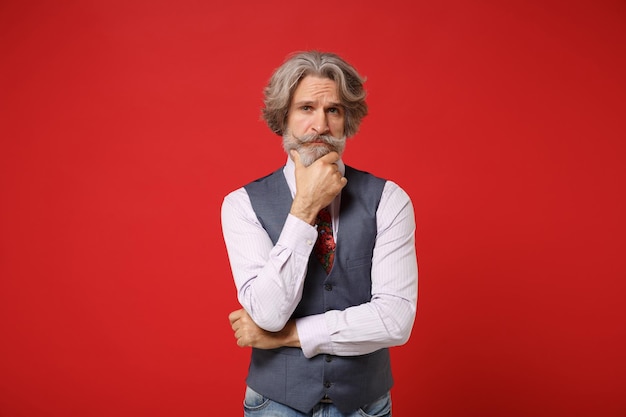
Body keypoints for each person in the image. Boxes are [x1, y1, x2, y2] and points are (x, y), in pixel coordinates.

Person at [222, 50, 418, 417]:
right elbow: (266, 313)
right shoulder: (241, 204)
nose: (320, 126)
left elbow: (395, 320)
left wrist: (286, 338)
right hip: (274, 405)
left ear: (347, 121)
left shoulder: (389, 200)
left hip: (364, 405)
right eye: (306, 108)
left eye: (334, 111)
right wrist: (305, 208)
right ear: (284, 119)